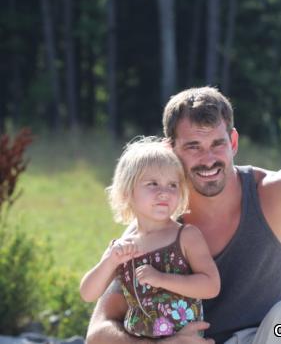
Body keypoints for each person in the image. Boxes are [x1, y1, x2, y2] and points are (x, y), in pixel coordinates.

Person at [86, 87, 281, 344]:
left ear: (233, 142)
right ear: (170, 149)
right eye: (193, 147)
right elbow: (98, 331)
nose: (208, 159)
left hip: (261, 339)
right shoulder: (153, 228)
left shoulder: (272, 193)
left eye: (217, 144)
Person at [80, 138, 220, 338]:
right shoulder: (124, 247)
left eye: (172, 185)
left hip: (185, 339)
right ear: (128, 192)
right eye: (152, 184)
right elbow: (88, 293)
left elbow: (211, 286)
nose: (164, 192)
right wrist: (110, 261)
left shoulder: (185, 236)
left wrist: (161, 279)